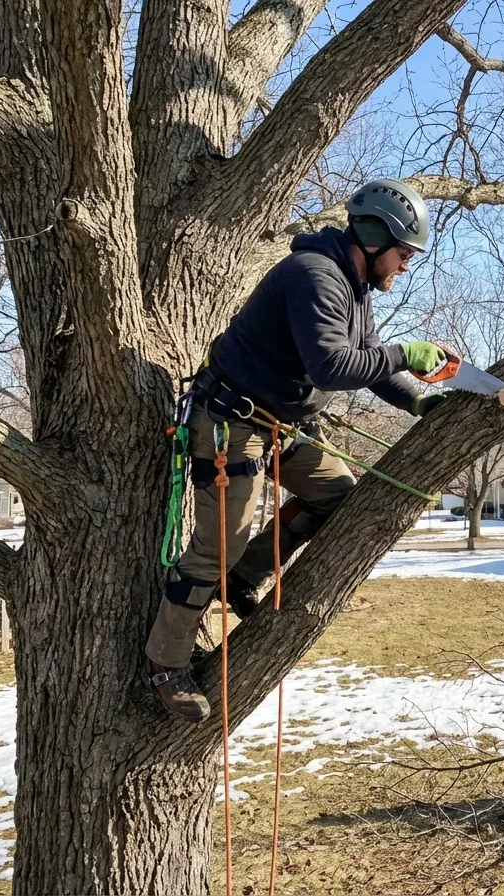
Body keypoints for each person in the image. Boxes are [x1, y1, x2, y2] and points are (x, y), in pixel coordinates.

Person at [144, 178, 448, 722]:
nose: (405, 266)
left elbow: (369, 356)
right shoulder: (314, 277)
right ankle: (166, 662)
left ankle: (243, 578)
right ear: (375, 238)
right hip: (233, 420)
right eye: (403, 254)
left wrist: (416, 404)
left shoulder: (353, 290)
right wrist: (408, 353)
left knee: (338, 496)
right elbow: (334, 365)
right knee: (217, 547)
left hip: (284, 422)